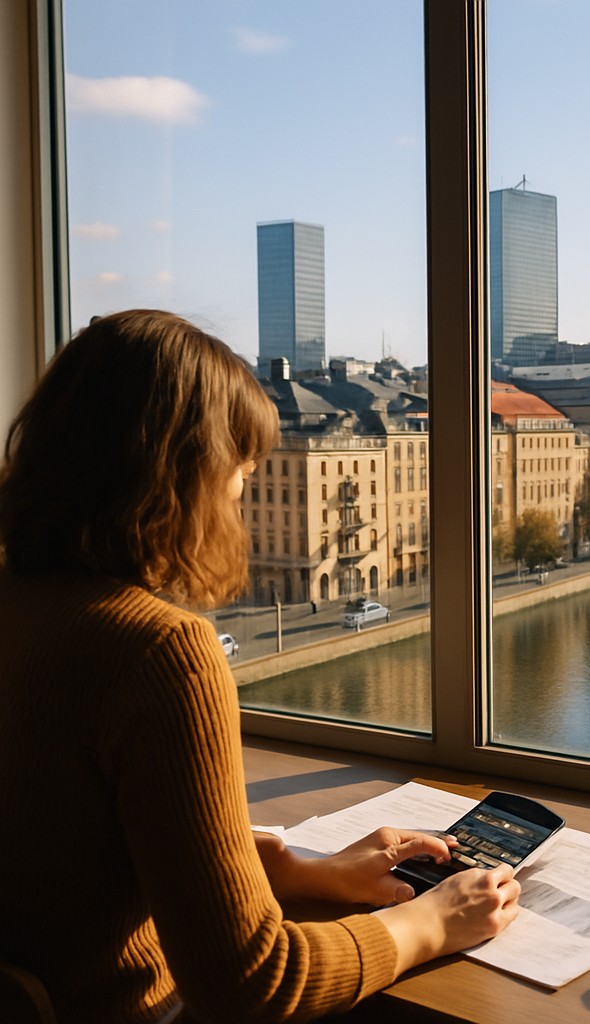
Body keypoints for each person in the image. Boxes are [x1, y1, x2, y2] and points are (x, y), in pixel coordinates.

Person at [0, 311, 520, 1023]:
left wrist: (288, 868)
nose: (243, 495)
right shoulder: (159, 651)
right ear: (184, 477)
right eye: (242, 471)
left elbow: (62, 838)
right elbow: (254, 984)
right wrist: (432, 921)